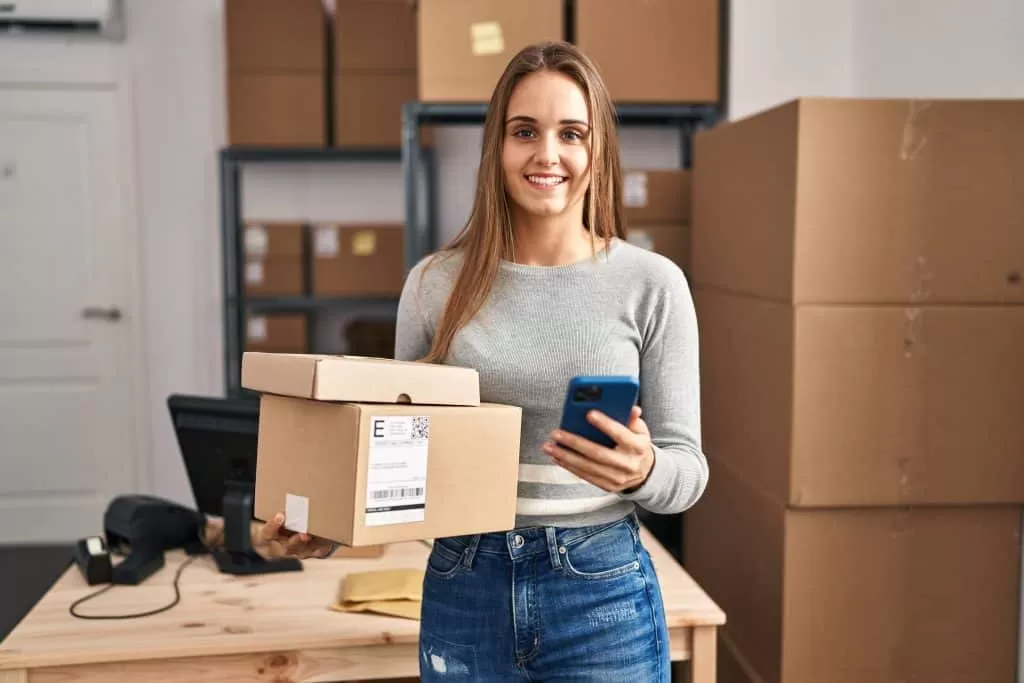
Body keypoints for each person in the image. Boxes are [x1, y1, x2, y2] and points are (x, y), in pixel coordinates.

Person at [261, 40, 709, 681]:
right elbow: (397, 458)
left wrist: (642, 471)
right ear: (496, 148)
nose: (547, 155)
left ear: (598, 149)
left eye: (572, 133)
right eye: (524, 131)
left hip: (600, 586)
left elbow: (687, 475)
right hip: (464, 583)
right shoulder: (434, 284)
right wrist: (332, 526)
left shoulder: (651, 284)